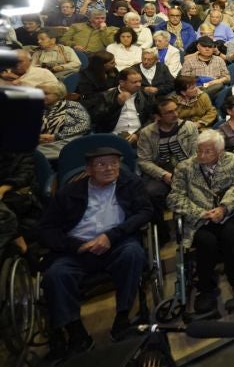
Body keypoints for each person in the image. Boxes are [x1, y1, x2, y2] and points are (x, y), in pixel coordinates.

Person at [39, 147, 153, 359]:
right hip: (77, 249)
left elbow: (145, 212)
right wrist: (76, 246)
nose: (109, 168)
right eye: (102, 164)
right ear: (89, 170)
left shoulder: (130, 184)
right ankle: (76, 332)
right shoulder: (69, 193)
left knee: (133, 254)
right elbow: (47, 229)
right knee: (56, 275)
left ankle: (122, 318)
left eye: (114, 163)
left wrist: (112, 236)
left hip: (116, 243)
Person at [167, 130, 234, 314]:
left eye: (208, 152)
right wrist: (201, 213)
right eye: (199, 151)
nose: (202, 156)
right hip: (199, 220)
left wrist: (224, 207)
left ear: (219, 152)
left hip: (227, 213)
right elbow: (174, 198)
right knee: (207, 242)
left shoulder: (232, 160)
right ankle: (206, 288)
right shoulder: (184, 168)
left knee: (230, 236)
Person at [136, 98, 198, 239]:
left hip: (186, 168)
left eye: (176, 109)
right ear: (158, 116)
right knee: (150, 193)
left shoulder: (189, 127)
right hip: (161, 172)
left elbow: (196, 153)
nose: (175, 114)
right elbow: (144, 161)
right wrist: (164, 175)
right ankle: (161, 234)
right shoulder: (147, 133)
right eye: (169, 112)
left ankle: (189, 230)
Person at [94, 68, 154, 143]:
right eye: (134, 82)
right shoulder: (106, 96)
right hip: (113, 136)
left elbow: (152, 119)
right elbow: (98, 120)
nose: (139, 85)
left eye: (140, 81)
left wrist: (138, 134)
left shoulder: (146, 96)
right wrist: (117, 104)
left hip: (140, 135)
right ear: (122, 83)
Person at [36, 80, 91, 161]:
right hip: (40, 144)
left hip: (64, 142)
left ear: (58, 94)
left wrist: (56, 136)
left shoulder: (72, 105)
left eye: (46, 93)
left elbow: (84, 125)